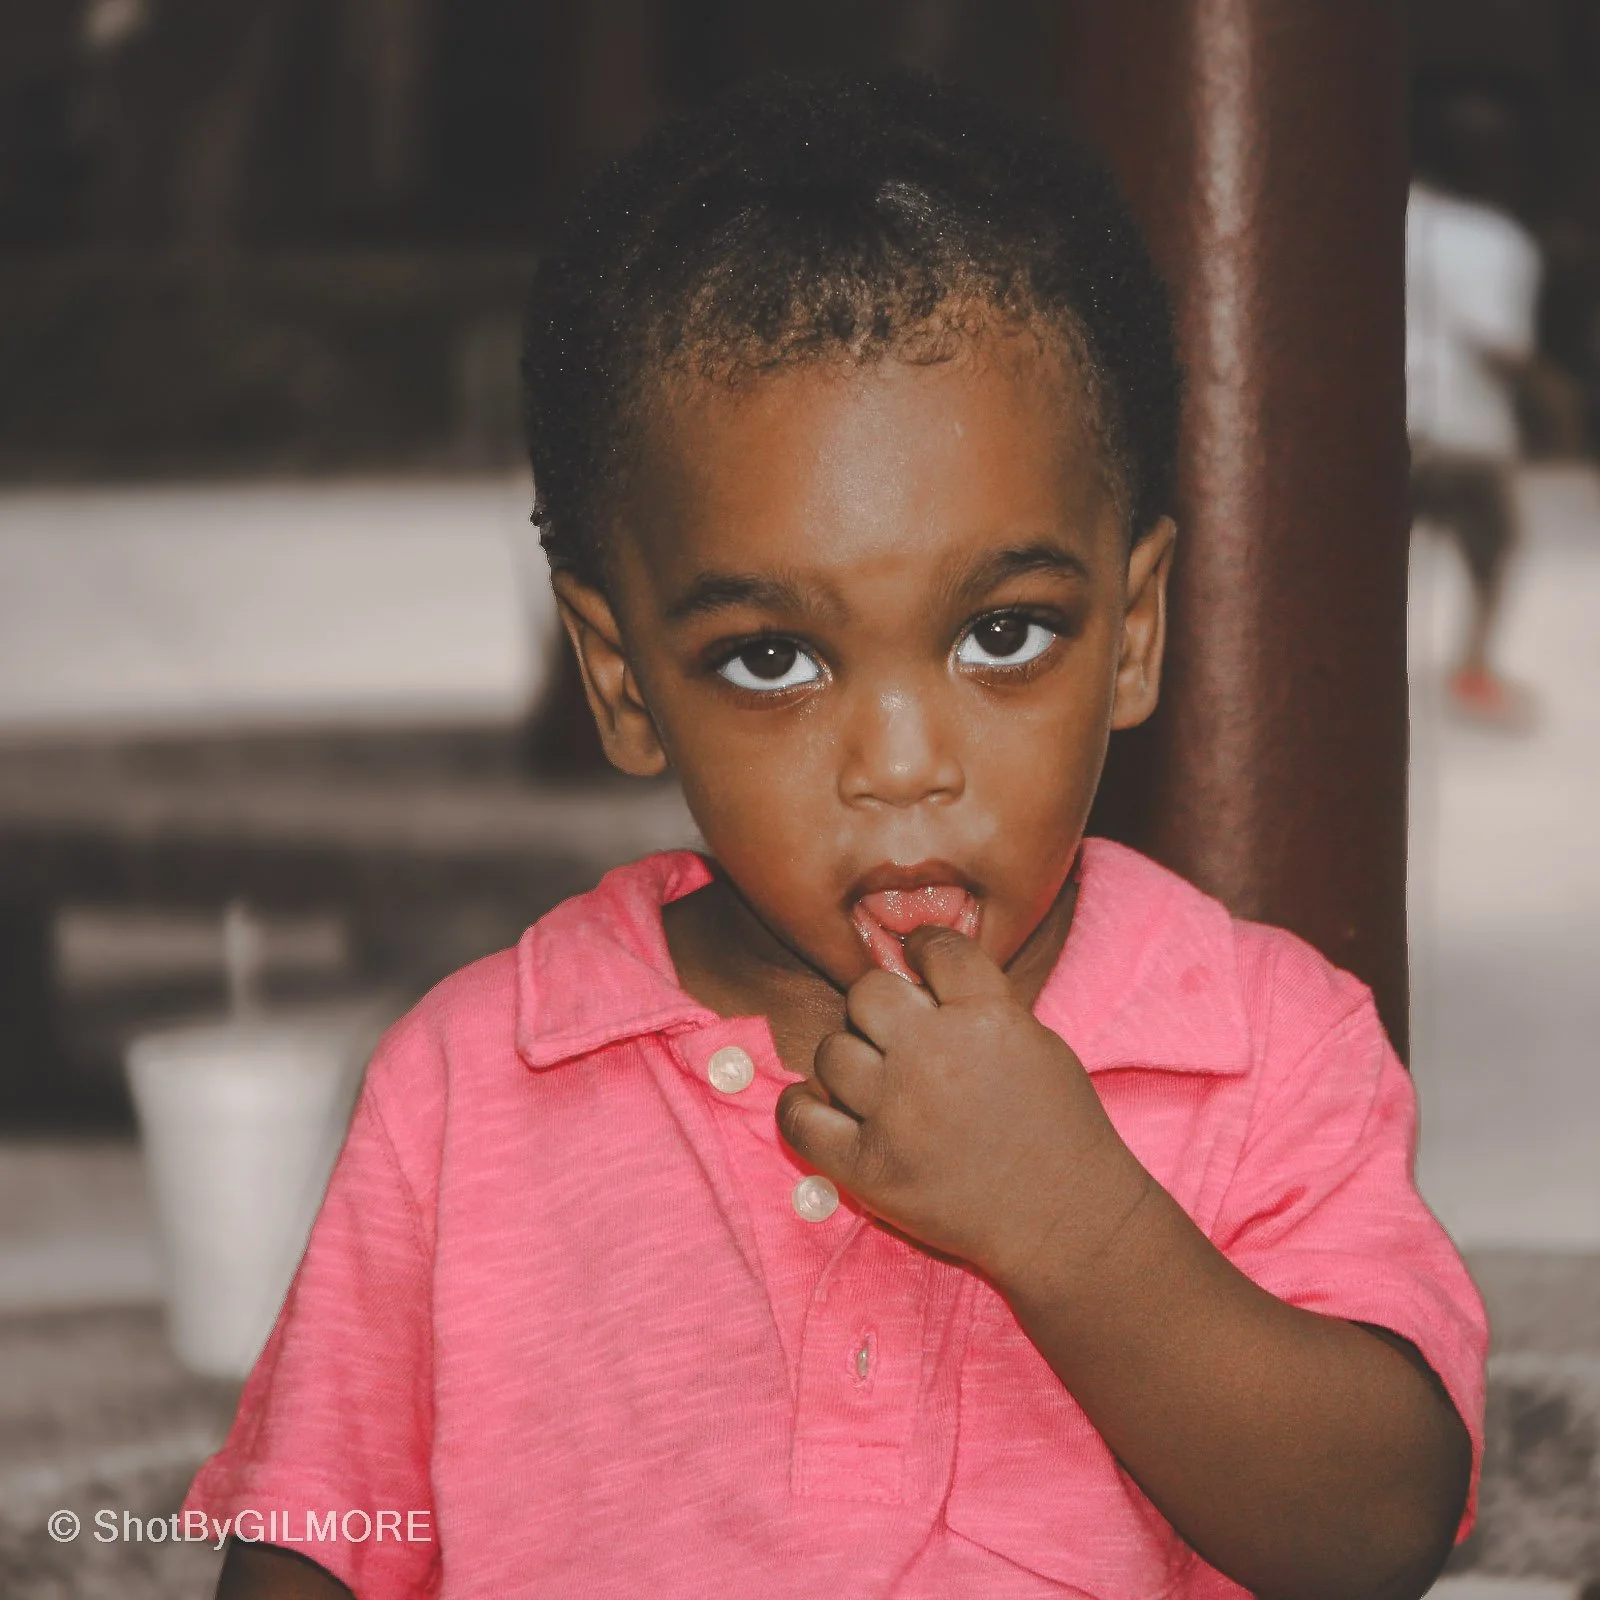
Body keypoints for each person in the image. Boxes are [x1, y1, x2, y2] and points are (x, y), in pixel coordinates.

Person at [191, 75, 1484, 1599]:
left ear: (1133, 632)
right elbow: (308, 1548)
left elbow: (1382, 1530)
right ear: (625, 682)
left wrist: (1076, 1227)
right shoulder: (475, 1089)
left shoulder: (1262, 1046)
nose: (904, 762)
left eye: (1004, 632)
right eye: (773, 661)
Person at [1406, 91, 1544, 728]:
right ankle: (1473, 666)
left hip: (1391, 421)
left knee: (1372, 552)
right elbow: (1503, 347)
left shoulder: (1389, 216)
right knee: (1492, 551)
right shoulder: (1497, 241)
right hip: (1465, 427)